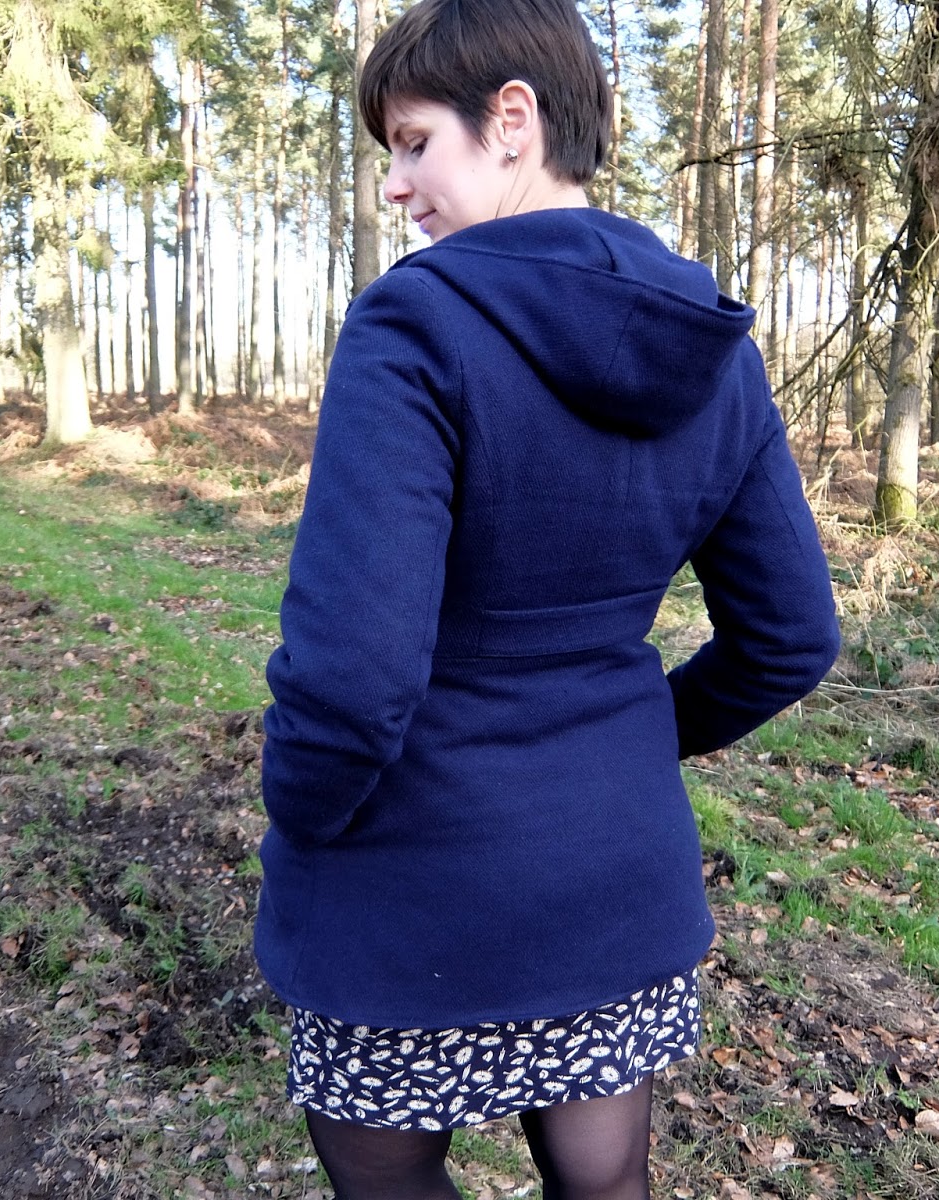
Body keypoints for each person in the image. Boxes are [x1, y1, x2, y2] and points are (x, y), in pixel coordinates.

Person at [253, 0, 841, 1195]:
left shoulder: (413, 322)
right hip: (613, 881)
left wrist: (300, 817)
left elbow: (354, 676)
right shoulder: (710, 344)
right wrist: (630, 742)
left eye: (414, 141)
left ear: (510, 118)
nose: (395, 185)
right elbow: (790, 638)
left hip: (403, 885)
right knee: (605, 1186)